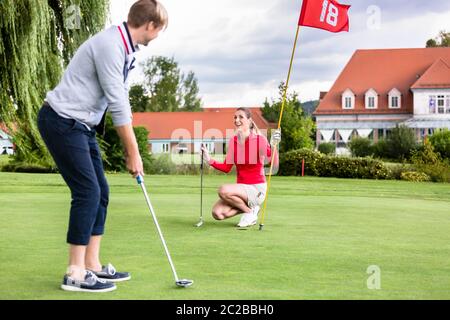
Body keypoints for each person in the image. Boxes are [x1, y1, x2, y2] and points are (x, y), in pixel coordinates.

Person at [37, 0, 168, 293]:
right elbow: (118, 103)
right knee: (87, 191)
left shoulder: (123, 46)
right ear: (150, 26)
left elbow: (116, 99)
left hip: (81, 126)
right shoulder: (111, 45)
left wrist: (129, 148)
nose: (158, 35)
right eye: (159, 30)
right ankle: (75, 272)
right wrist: (133, 152)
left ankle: (91, 264)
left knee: (101, 192)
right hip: (61, 120)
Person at [201, 108, 281, 228]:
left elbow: (274, 164)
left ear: (249, 121)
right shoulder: (234, 141)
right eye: (235, 117)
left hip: (256, 189)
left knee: (223, 190)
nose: (237, 120)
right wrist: (209, 160)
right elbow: (227, 167)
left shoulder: (260, 140)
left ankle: (249, 212)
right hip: (242, 191)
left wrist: (275, 145)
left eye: (241, 117)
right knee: (217, 213)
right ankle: (252, 210)